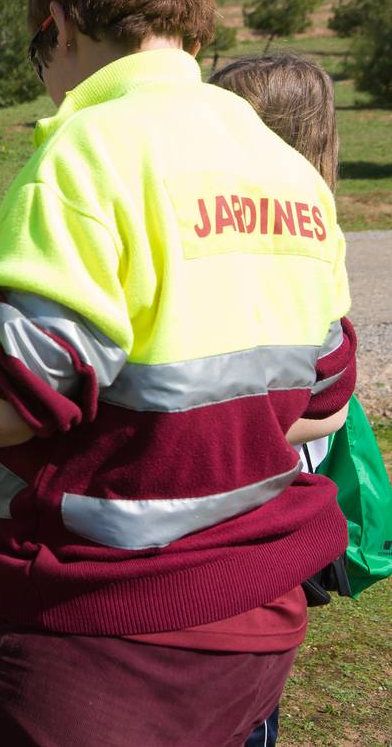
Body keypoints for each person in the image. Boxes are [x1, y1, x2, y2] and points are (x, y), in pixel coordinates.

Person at [0, 0, 355, 746]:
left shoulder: (87, 150)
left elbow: (2, 403)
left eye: (42, 50)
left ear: (59, 26)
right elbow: (323, 399)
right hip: (256, 627)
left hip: (101, 640)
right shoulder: (282, 165)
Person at [210, 53, 381, 747]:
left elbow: (324, 398)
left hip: (237, 525)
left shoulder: (262, 249)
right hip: (268, 532)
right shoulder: (314, 235)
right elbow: (329, 396)